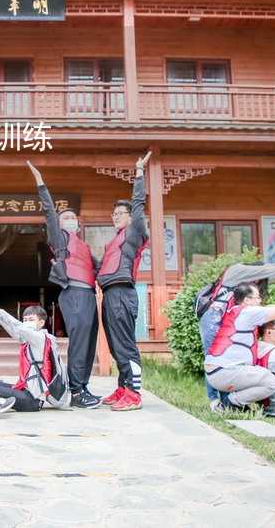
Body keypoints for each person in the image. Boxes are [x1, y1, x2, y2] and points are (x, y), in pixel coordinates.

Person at [26, 161, 100, 409]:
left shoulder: (84, 245)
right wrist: (40, 182)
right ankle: (76, 391)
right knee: (80, 341)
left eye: (72, 217)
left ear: (78, 223)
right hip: (74, 293)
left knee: (90, 342)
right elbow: (48, 211)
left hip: (89, 294)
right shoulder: (60, 239)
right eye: (65, 217)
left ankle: (83, 386)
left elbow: (102, 269)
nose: (69, 219)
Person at [197, 263, 275, 410]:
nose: (258, 283)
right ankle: (216, 401)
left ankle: (230, 402)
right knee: (214, 358)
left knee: (232, 361)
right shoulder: (234, 273)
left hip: (227, 321)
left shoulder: (251, 291)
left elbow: (264, 313)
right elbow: (266, 270)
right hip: (212, 318)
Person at [98, 151, 152, 411]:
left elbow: (139, 204)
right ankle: (122, 387)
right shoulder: (113, 242)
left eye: (121, 213)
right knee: (114, 344)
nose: (116, 216)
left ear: (131, 217)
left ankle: (134, 393)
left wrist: (139, 173)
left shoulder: (135, 231)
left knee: (126, 344)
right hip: (109, 295)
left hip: (122, 294)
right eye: (114, 213)